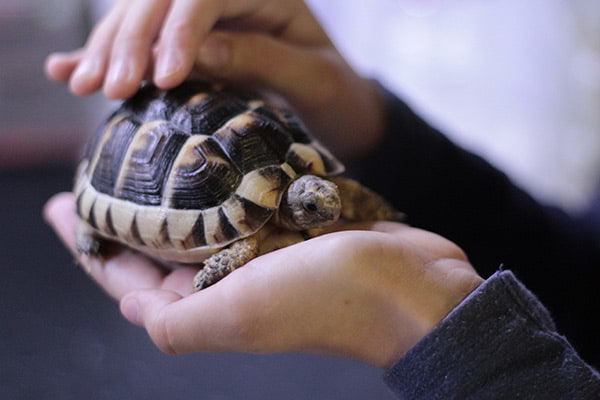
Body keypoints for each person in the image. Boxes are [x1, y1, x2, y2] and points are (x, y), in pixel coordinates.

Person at [44, 0, 600, 397]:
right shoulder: (275, 209)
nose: (327, 209)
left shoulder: (304, 204)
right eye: (315, 206)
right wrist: (362, 115)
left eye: (323, 201)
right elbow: (582, 277)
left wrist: (441, 326)